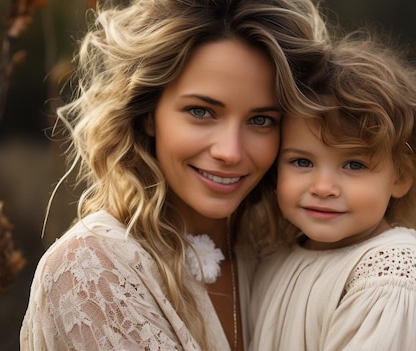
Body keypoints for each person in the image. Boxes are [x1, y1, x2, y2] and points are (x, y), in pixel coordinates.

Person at [20, 0, 330, 350]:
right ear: (149, 114)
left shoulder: (278, 251)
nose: (230, 152)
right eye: (201, 111)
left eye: (261, 120)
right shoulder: (91, 269)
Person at [248, 31, 416, 351]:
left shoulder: (390, 279)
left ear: (401, 176)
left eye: (354, 165)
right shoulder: (273, 252)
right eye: (302, 161)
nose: (323, 188)